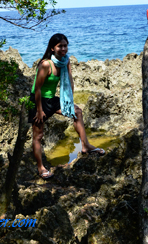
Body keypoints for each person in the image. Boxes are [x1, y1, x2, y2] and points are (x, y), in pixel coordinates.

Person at [29, 33, 105, 179]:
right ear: (52, 48)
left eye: (65, 45)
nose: (63, 49)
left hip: (52, 99)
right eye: (60, 46)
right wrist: (39, 110)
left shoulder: (65, 61)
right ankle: (41, 168)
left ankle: (85, 146)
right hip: (38, 101)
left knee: (77, 112)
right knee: (38, 135)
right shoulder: (46, 64)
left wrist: (69, 101)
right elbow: (37, 89)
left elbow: (70, 80)